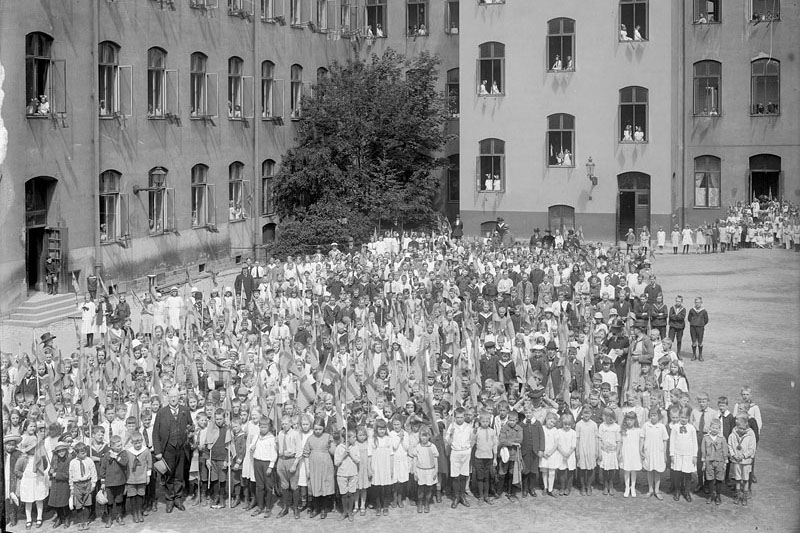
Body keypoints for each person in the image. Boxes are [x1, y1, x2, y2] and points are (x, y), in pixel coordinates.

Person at [152, 388, 193, 513]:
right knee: (169, 475)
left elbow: (191, 427)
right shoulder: (161, 412)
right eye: (171, 397)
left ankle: (178, 499)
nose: (173, 399)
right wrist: (158, 451)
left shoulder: (185, 410)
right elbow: (155, 433)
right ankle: (169, 499)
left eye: (175, 396)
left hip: (181, 448)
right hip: (167, 449)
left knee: (179, 475)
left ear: (179, 397)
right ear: (167, 398)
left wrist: (190, 437)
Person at [302, 416, 335, 519]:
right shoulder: (310, 438)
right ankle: (316, 508)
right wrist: (307, 469)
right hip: (314, 467)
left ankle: (324, 508)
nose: (317, 431)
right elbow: (306, 454)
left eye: (320, 429)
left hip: (326, 465)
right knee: (315, 486)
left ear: (323, 428)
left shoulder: (328, 437)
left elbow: (333, 452)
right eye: (316, 429)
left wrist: (332, 443)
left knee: (324, 486)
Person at [728, 413, 757, 506]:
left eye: (738, 420)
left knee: (745, 479)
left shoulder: (751, 434)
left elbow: (752, 449)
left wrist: (744, 455)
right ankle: (737, 495)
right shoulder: (733, 433)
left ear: (745, 423)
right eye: (736, 420)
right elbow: (730, 445)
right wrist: (733, 455)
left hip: (746, 461)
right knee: (737, 479)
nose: (736, 421)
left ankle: (744, 497)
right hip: (736, 460)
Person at [669, 407, 697, 502]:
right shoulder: (675, 427)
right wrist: (672, 454)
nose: (683, 419)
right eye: (682, 417)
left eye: (685, 418)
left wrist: (694, 455)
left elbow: (694, 443)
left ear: (688, 418)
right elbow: (672, 441)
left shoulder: (691, 428)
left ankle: (687, 491)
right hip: (678, 454)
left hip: (688, 455)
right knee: (677, 474)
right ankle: (677, 490)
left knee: (687, 474)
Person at [69, 442, 98, 531]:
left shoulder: (89, 461)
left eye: (85, 452)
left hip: (87, 483)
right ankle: (80, 522)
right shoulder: (73, 462)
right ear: (76, 453)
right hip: (77, 484)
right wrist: (71, 487)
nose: (85, 454)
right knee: (78, 504)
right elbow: (71, 475)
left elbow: (93, 473)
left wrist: (93, 484)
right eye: (82, 453)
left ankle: (85, 520)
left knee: (87, 503)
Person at [618, 411, 643, 498]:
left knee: (633, 470)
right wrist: (620, 452)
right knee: (626, 470)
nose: (629, 422)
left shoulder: (638, 430)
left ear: (635, 420)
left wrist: (640, 451)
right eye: (628, 420)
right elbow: (621, 442)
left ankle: (633, 487)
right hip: (626, 452)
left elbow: (640, 442)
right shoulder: (624, 430)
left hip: (634, 452)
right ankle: (627, 488)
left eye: (631, 420)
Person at [597, 409, 620, 496]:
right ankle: (605, 485)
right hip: (604, 451)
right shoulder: (602, 426)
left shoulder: (616, 427)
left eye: (608, 416)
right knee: (604, 469)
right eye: (604, 416)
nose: (606, 418)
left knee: (612, 469)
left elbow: (618, 440)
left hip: (612, 451)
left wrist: (617, 452)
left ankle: (611, 484)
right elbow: (599, 439)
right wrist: (600, 451)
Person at [687, 297, 709, 361]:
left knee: (700, 342)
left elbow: (706, 320)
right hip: (693, 328)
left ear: (701, 303)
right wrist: (693, 322)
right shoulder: (692, 310)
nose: (697, 304)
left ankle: (700, 355)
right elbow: (689, 318)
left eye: (699, 302)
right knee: (694, 342)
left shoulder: (704, 311)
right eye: (696, 302)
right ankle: (694, 355)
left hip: (700, 328)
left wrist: (701, 324)